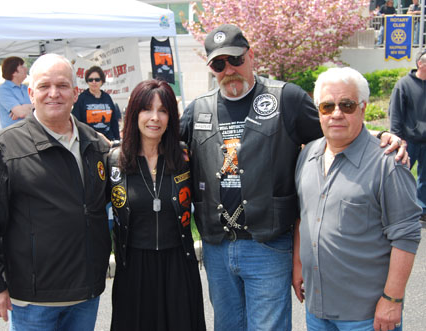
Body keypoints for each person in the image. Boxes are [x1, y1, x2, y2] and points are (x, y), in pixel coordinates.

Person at [180, 24, 407, 331]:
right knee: (227, 325)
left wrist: (379, 135)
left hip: (268, 245)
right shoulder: (197, 110)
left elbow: (335, 129)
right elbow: (166, 151)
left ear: (250, 55)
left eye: (235, 59)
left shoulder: (286, 98)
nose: (229, 69)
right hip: (217, 247)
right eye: (219, 64)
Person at [0, 53, 112, 330]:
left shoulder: (96, 145)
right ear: (31, 93)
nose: (53, 94)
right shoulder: (5, 148)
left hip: (86, 294)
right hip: (33, 301)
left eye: (62, 86)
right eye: (44, 86)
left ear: (75, 93)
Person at [293, 67, 422, 331]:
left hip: (367, 315)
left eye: (347, 105)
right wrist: (297, 265)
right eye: (327, 106)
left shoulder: (388, 163)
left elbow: (406, 236)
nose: (337, 113)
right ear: (318, 111)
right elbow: (303, 216)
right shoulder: (307, 156)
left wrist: (393, 299)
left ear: (362, 109)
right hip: (317, 311)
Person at [108, 79, 205, 331]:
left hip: (179, 265)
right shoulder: (114, 161)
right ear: (133, 113)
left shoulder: (185, 157)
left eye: (163, 110)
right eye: (147, 109)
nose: (155, 118)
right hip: (133, 270)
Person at [389, 50, 426, 222]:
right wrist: (397, 137)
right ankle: (398, 209)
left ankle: (421, 209)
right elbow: (396, 112)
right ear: (420, 64)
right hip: (408, 140)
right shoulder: (403, 84)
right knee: (400, 174)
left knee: (424, 178)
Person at [72, 66, 122, 141]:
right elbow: (76, 122)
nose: (94, 82)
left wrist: (117, 139)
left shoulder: (107, 97)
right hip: (90, 141)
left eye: (97, 80)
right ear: (87, 81)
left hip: (108, 140)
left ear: (102, 81)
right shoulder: (81, 98)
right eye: (90, 80)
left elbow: (114, 121)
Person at [0, 56, 33, 128]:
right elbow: (21, 113)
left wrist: (24, 107)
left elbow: (41, 107)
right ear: (14, 72)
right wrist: (31, 108)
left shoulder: (26, 88)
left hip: (31, 132)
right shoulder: (3, 90)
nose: (26, 69)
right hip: (14, 136)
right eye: (22, 66)